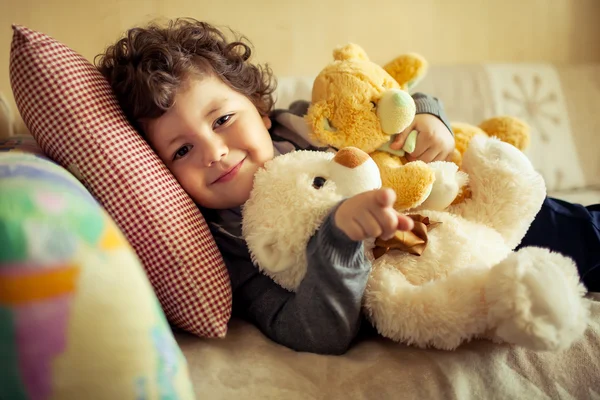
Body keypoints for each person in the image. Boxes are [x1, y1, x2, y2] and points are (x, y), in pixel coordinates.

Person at [95, 17, 598, 355]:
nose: (212, 151)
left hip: (469, 214)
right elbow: (315, 332)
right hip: (433, 280)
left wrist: (429, 117)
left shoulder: (307, 125)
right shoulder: (231, 244)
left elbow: (390, 101)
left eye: (223, 118)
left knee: (579, 231)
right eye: (180, 150)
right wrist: (339, 239)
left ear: (260, 108)